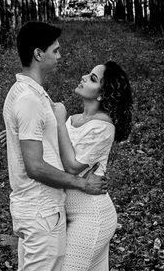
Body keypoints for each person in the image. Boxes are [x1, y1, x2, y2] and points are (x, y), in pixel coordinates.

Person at [3, 22, 108, 271]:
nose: (60, 56)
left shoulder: (24, 92)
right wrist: (82, 183)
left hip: (38, 210)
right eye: (55, 51)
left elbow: (35, 136)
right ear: (39, 54)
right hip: (42, 212)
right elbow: (36, 167)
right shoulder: (30, 100)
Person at [53, 60, 132, 271]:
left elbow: (72, 166)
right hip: (67, 214)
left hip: (91, 216)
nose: (84, 77)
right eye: (88, 74)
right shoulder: (73, 120)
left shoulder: (103, 126)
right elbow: (54, 149)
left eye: (93, 78)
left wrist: (58, 122)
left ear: (101, 94)